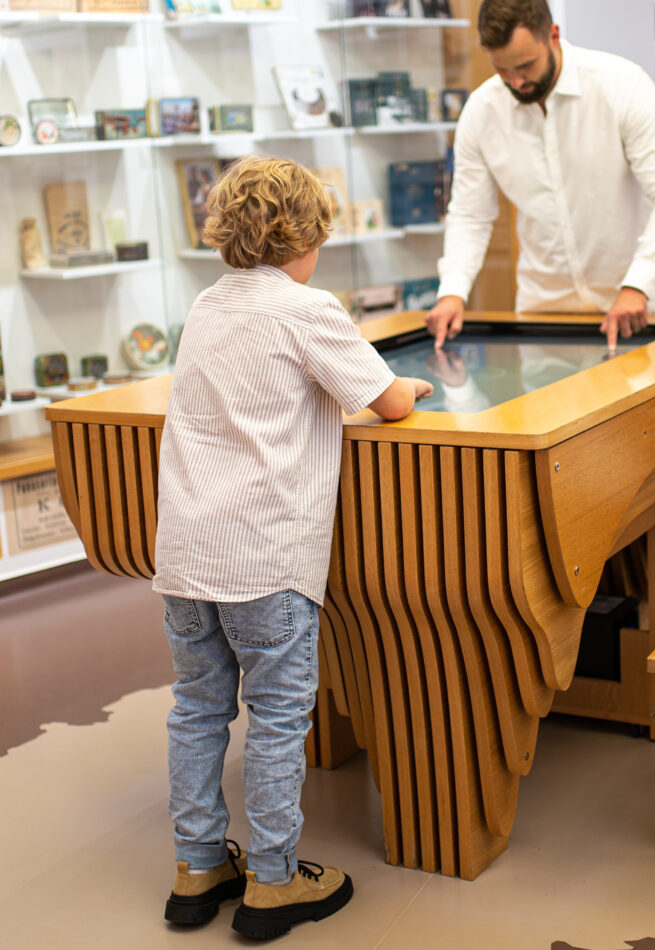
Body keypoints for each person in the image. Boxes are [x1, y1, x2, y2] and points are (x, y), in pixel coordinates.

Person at [151, 156, 432, 937]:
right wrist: (413, 389)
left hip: (186, 556)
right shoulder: (308, 308)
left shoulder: (206, 305)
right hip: (266, 558)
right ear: (305, 236)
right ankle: (273, 880)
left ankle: (197, 866)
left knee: (197, 708)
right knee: (277, 717)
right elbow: (387, 402)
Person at [425, 0, 655, 351]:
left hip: (633, 308)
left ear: (553, 35)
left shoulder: (622, 85)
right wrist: (452, 291)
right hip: (542, 317)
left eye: (526, 65)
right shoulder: (481, 111)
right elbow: (470, 215)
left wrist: (639, 285)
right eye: (502, 70)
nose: (517, 81)